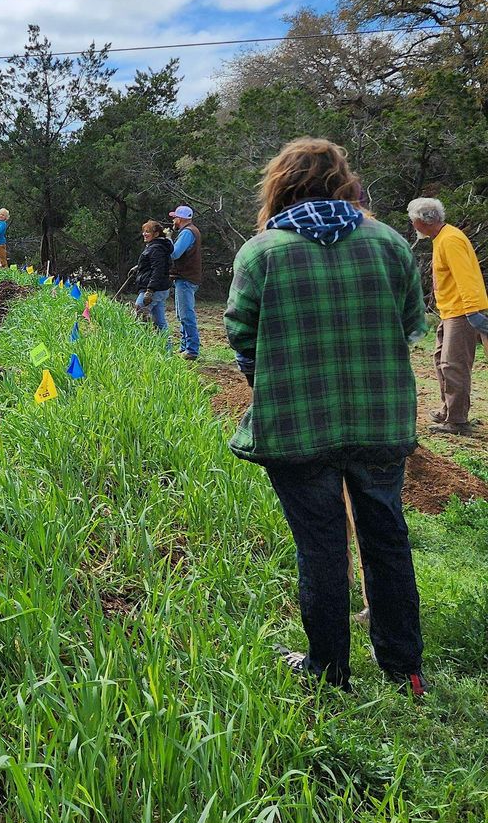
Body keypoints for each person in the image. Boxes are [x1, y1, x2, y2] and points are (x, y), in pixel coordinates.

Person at [225, 137, 428, 696]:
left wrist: (270, 381)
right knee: (386, 539)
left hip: (297, 427)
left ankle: (329, 671)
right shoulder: (390, 243)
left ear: (280, 185)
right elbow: (413, 325)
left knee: (320, 547)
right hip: (380, 423)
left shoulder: (261, 252)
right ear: (342, 181)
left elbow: (242, 337)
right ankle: (404, 666)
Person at [407, 197, 488, 436]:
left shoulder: (451, 239)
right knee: (441, 360)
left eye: (414, 221)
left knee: (453, 365)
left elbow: (467, 277)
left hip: (462, 312)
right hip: (450, 311)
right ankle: (449, 410)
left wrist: (473, 312)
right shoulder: (441, 237)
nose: (413, 226)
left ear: (424, 221)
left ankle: (458, 421)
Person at [168, 204, 202, 360]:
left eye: (175, 217)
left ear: (180, 219)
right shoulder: (190, 231)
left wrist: (167, 239)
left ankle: (191, 350)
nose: (173, 220)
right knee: (181, 314)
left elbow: (174, 254)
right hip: (186, 278)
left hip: (186, 278)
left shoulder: (187, 233)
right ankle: (184, 347)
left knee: (186, 315)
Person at [134, 220, 172, 338]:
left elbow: (158, 270)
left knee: (138, 316)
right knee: (160, 323)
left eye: (148, 232)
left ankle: (139, 346)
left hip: (153, 290)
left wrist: (150, 291)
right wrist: (138, 267)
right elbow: (153, 264)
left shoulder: (156, 248)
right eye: (144, 232)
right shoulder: (156, 246)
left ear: (156, 234)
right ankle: (167, 351)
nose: (144, 234)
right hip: (161, 289)